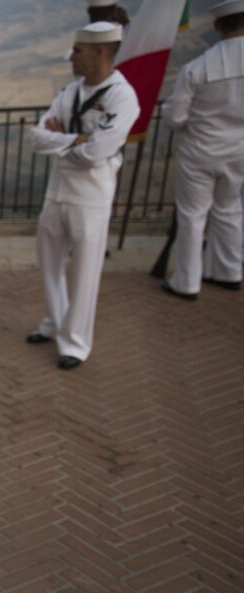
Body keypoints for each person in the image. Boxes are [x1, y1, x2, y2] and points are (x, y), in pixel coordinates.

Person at [26, 22, 140, 370]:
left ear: (99, 52)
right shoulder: (69, 92)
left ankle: (75, 343)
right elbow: (36, 137)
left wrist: (64, 141)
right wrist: (76, 141)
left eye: (76, 51)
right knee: (50, 262)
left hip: (91, 196)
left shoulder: (122, 97)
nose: (71, 59)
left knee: (86, 270)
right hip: (58, 191)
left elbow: (98, 152)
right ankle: (55, 323)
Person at [161, 0, 244, 298]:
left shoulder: (197, 68)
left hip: (201, 151)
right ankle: (229, 272)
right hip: (241, 152)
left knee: (193, 216)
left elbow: (174, 118)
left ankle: (186, 282)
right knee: (230, 209)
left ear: (217, 26)